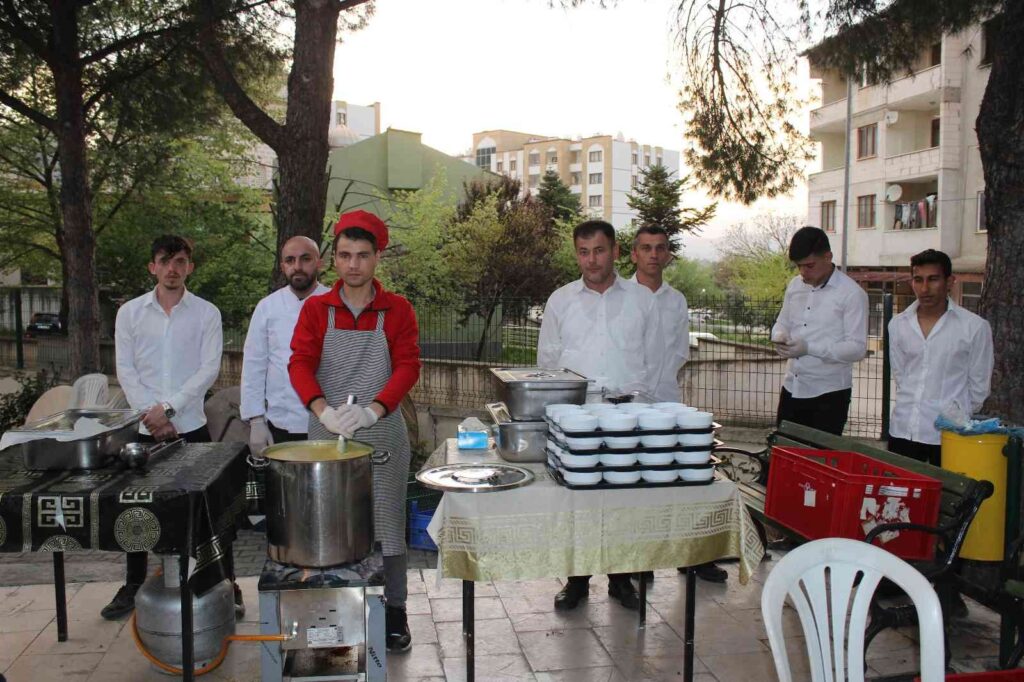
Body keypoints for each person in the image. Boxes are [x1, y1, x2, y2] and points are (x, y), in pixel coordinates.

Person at [289, 210, 420, 652]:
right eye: (345, 255)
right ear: (334, 259)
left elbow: (407, 365)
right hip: (327, 433)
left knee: (387, 523)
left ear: (377, 257)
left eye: (363, 255)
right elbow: (300, 363)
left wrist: (374, 410)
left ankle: (396, 609)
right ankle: (341, 606)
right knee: (332, 526)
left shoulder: (397, 309)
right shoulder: (316, 309)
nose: (353, 265)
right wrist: (322, 410)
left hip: (381, 433)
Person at [108, 235, 239, 619]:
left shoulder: (206, 314)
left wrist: (168, 408)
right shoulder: (129, 313)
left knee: (211, 511)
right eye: (165, 261)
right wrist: (151, 414)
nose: (172, 269)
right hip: (142, 430)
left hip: (192, 427)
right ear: (152, 266)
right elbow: (126, 370)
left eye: (180, 261)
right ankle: (133, 585)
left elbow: (207, 370)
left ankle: (225, 583)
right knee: (133, 511)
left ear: (189, 267)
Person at [538, 219, 663, 612]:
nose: (591, 260)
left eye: (599, 250)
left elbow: (656, 360)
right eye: (583, 251)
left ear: (616, 251)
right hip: (579, 419)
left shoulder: (643, 300)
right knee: (578, 503)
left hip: (630, 416)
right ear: (576, 253)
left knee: (624, 502)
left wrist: (645, 410)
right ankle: (576, 581)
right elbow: (547, 362)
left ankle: (621, 580)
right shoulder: (560, 300)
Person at [630, 225, 728, 584]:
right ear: (633, 254)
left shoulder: (677, 300)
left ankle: (692, 557)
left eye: (660, 248)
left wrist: (660, 386)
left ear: (668, 254)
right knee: (635, 483)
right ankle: (639, 560)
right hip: (630, 405)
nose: (654, 254)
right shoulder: (622, 296)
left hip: (668, 401)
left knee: (680, 478)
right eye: (646, 248)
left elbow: (678, 351)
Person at [888, 249, 993, 466]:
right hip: (903, 430)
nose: (925, 288)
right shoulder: (898, 325)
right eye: (918, 280)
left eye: (933, 279)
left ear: (949, 282)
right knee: (902, 497)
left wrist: (954, 416)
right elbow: (901, 374)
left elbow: (979, 388)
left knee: (947, 499)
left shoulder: (974, 328)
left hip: (949, 436)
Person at [772, 227, 868, 436]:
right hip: (792, 386)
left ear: (828, 257)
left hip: (829, 395)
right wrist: (779, 336)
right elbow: (782, 322)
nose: (803, 273)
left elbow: (857, 348)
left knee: (818, 463)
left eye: (809, 265)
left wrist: (809, 348)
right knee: (784, 458)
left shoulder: (852, 294)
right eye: (799, 266)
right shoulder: (795, 286)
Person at [241, 236, 329, 452]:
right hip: (278, 425)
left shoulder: (335, 304)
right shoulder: (267, 307)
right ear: (282, 266)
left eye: (305, 259)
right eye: (290, 260)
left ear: (319, 262)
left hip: (328, 425)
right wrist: (256, 420)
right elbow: (254, 365)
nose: (297, 267)